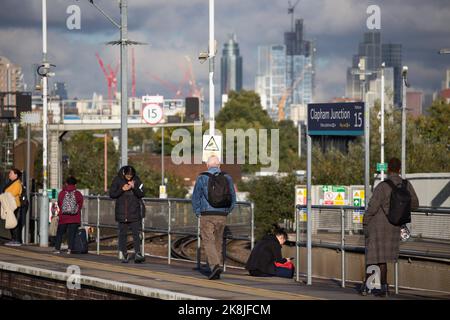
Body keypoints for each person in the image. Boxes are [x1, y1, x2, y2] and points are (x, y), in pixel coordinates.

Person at [361, 157, 419, 297]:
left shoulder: (382, 186)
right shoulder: (406, 185)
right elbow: (415, 204)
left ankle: (367, 287)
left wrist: (365, 220)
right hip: (394, 226)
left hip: (378, 226)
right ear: (399, 169)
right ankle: (384, 288)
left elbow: (373, 206)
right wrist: (400, 210)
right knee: (384, 258)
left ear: (388, 170)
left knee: (373, 257)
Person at [192, 155, 236, 280]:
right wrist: (227, 210)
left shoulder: (202, 177)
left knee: (208, 240)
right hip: (222, 215)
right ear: (219, 165)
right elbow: (233, 196)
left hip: (206, 214)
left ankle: (215, 265)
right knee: (218, 241)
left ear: (207, 165)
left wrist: (197, 212)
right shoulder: (227, 177)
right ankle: (216, 266)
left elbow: (196, 197)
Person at [109, 165, 145, 263]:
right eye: (128, 176)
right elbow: (112, 194)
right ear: (124, 173)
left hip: (134, 212)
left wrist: (134, 187)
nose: (129, 177)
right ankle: (124, 254)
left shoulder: (137, 180)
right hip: (122, 213)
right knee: (122, 235)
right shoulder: (117, 180)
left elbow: (142, 193)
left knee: (136, 234)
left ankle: (138, 253)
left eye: (131, 176)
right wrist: (122, 189)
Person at [54, 176, 83, 254]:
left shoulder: (62, 193)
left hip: (63, 217)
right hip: (74, 217)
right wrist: (75, 210)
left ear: (66, 184)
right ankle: (70, 249)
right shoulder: (78, 193)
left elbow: (60, 203)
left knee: (60, 233)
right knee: (72, 234)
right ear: (75, 184)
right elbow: (80, 204)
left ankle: (57, 249)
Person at [3, 168, 23, 246]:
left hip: (14, 205)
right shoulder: (11, 183)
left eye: (11, 173)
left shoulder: (17, 183)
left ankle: (16, 240)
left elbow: (12, 194)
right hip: (10, 205)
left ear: (16, 175)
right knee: (11, 223)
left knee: (14, 223)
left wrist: (4, 195)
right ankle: (13, 239)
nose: (9, 175)